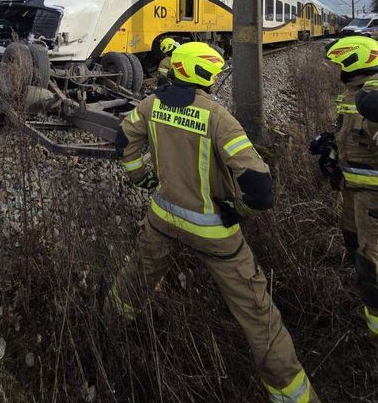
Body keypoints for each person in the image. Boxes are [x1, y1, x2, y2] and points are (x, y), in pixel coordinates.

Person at [108, 42, 318, 403]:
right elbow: (260, 189)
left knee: (135, 280)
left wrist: (141, 178)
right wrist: (239, 212)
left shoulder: (150, 106)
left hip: (163, 217)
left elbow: (123, 142)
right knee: (259, 318)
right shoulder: (218, 118)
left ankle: (109, 329)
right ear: (204, 76)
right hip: (214, 234)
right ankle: (292, 394)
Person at [318, 36, 378, 347]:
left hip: (373, 199)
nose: (338, 70)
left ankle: (374, 336)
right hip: (353, 192)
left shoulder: (374, 95)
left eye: (342, 64)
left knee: (372, 263)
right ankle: (367, 310)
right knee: (354, 247)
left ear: (356, 62)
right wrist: (331, 148)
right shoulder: (353, 91)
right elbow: (347, 131)